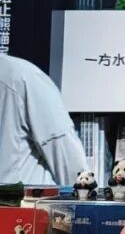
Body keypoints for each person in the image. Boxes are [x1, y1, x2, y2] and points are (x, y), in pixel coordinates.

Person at [0, 54, 88, 185]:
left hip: (27, 195)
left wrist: (80, 194)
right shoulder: (21, 75)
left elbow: (65, 156)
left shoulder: (21, 76)